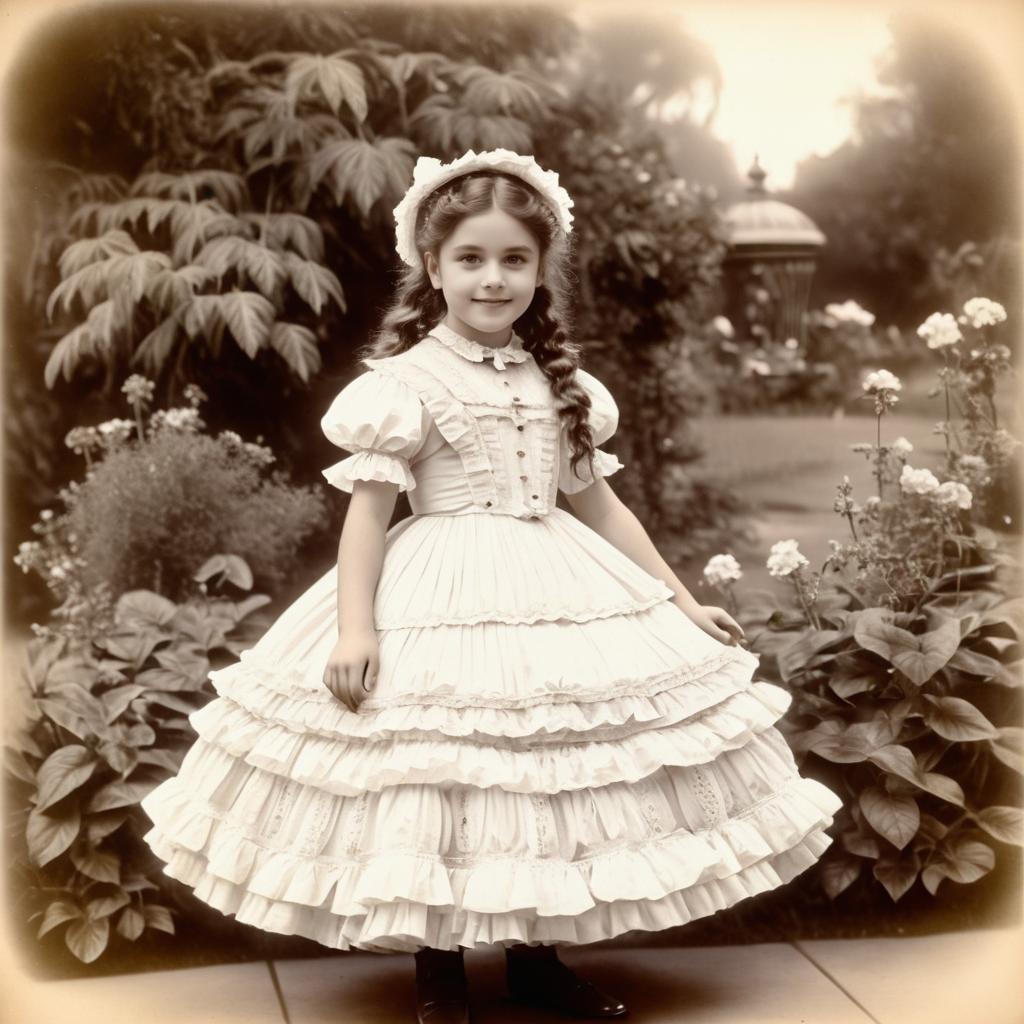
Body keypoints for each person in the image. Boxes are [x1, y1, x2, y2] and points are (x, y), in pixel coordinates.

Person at [141, 148, 842, 1024]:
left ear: (540, 268)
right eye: (470, 258)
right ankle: (438, 969)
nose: (493, 278)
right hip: (437, 588)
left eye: (514, 259)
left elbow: (600, 504)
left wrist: (676, 598)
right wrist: (355, 630)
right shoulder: (401, 387)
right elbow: (366, 516)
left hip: (553, 581)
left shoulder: (561, 382)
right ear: (432, 267)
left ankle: (535, 960)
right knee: (440, 769)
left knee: (538, 773)